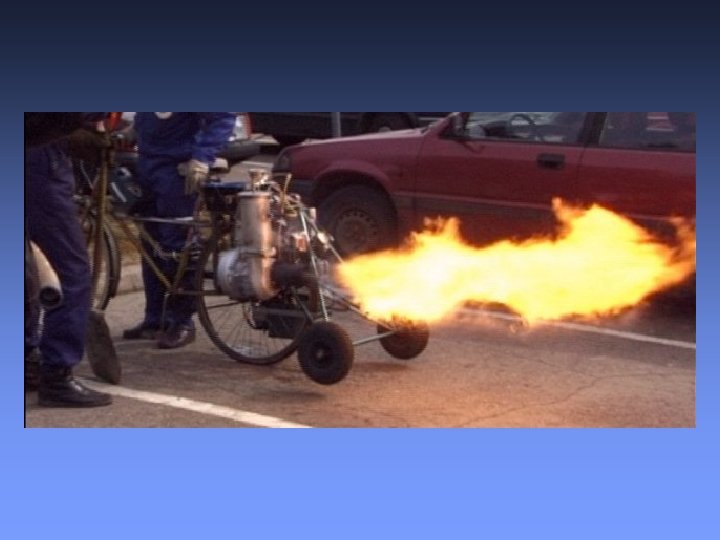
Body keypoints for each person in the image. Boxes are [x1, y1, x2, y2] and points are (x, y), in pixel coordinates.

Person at [123, 112, 236, 349]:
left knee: (178, 248)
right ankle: (155, 319)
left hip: (176, 172)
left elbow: (223, 117)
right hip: (148, 165)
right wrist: (134, 130)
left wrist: (202, 158)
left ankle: (182, 321)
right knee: (151, 246)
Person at [25, 113, 113, 407]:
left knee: (26, 265)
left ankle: (26, 359)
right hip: (38, 158)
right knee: (70, 271)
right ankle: (57, 374)